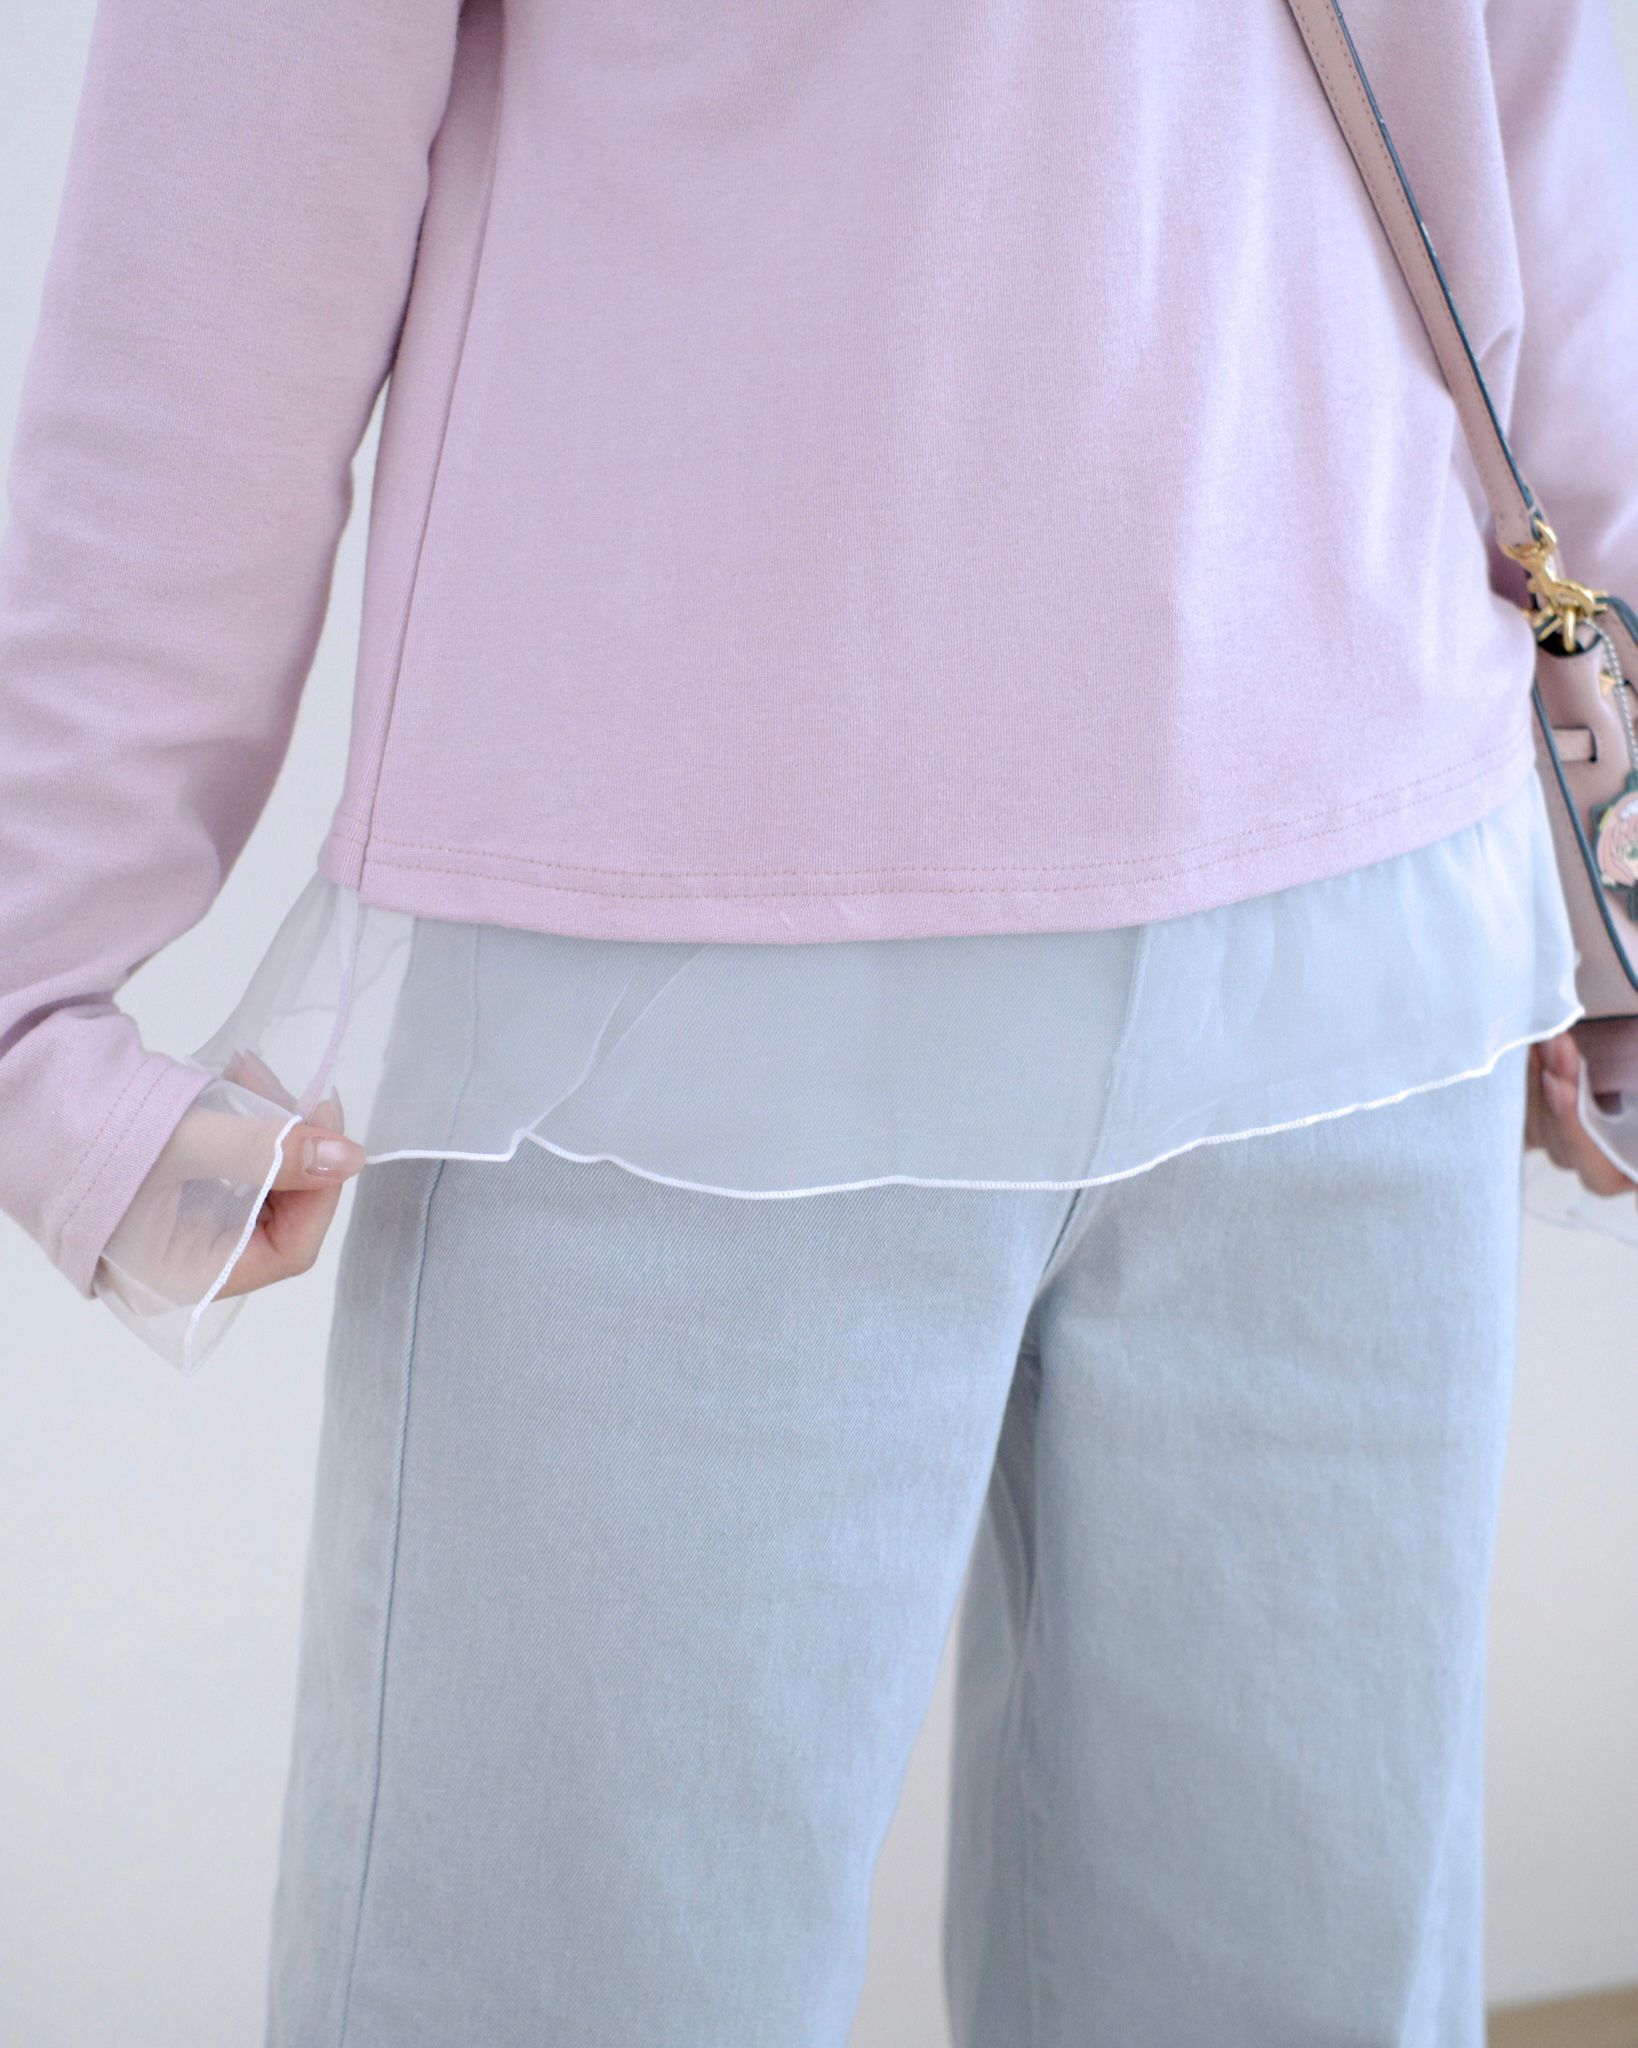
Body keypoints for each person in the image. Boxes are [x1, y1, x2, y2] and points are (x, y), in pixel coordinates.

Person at [2, 1, 1637, 2041]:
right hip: (679, 1022)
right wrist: (34, 992)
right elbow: (227, 225)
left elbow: (1535, 110)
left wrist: (1612, 867)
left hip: (1360, 936)